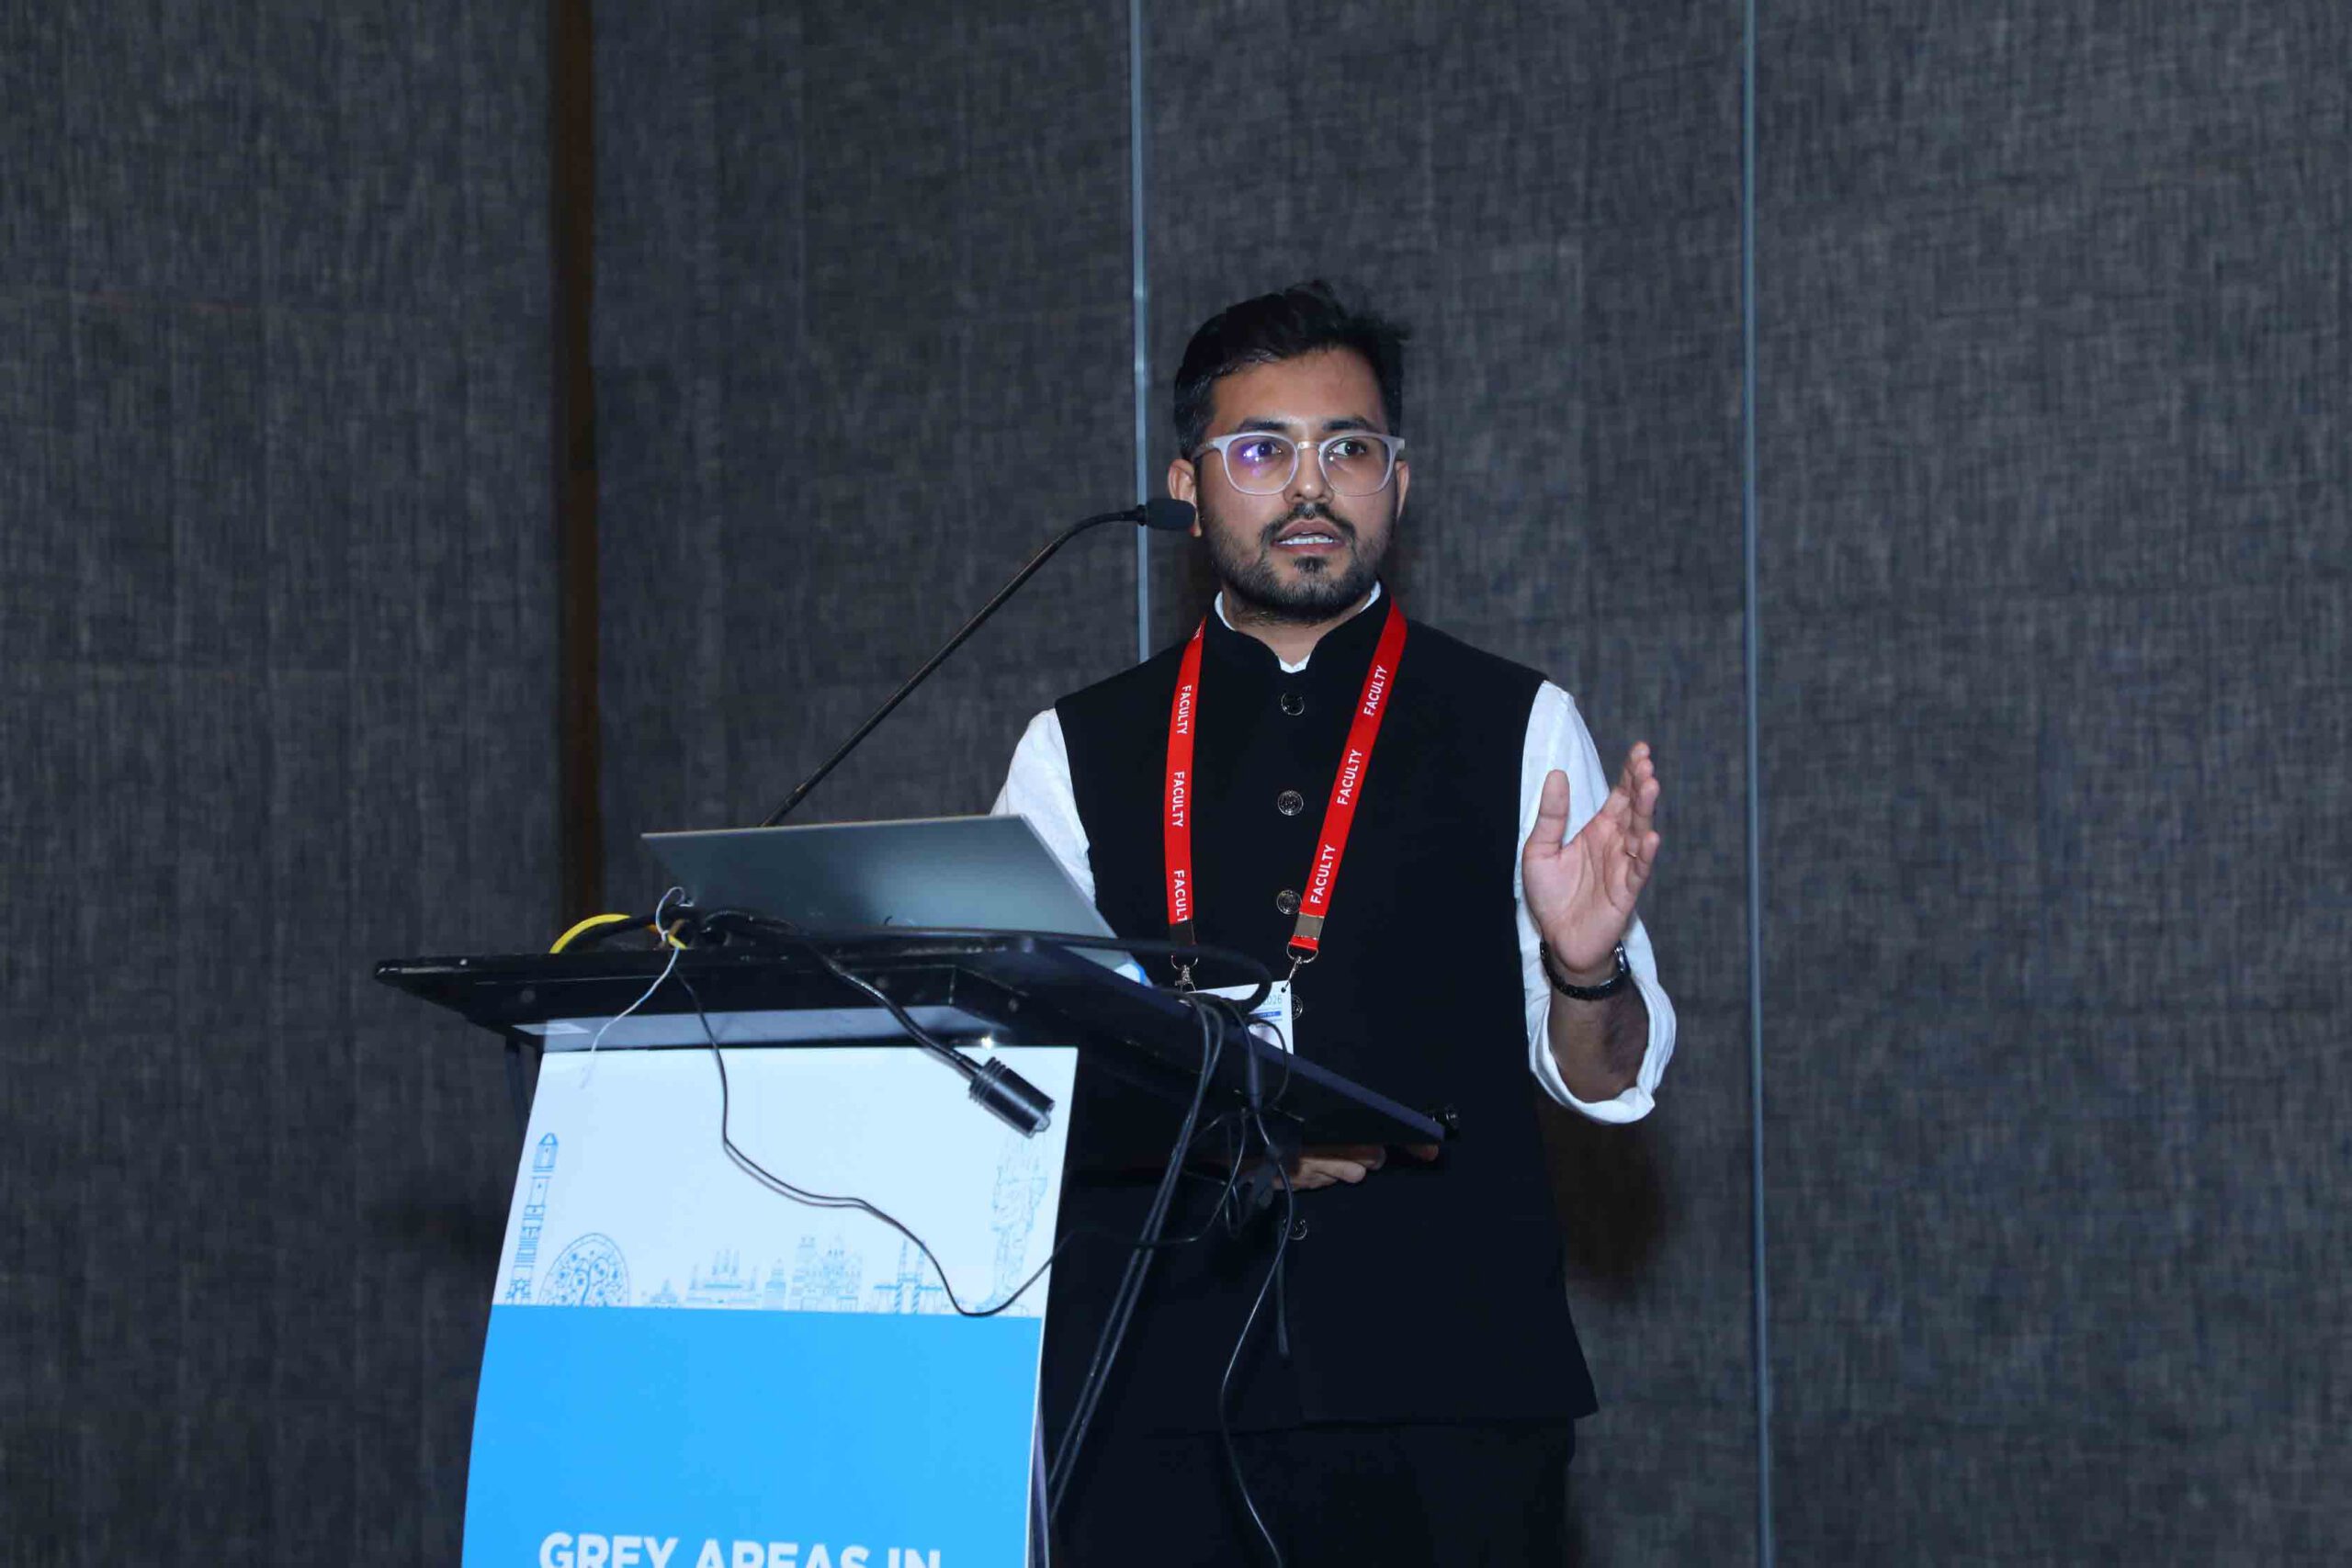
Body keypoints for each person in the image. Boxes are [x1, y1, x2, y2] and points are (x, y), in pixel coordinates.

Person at [992, 281, 1674, 1562]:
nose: (1311, 486)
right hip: (1148, 1395)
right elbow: (1020, 1077)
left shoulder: (1520, 723)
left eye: (1349, 448)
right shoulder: (1071, 750)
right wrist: (1227, 1138)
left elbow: (1607, 1081)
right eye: (1262, 450)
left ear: (1398, 485)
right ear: (1189, 487)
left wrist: (1586, 971)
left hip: (1453, 1402)